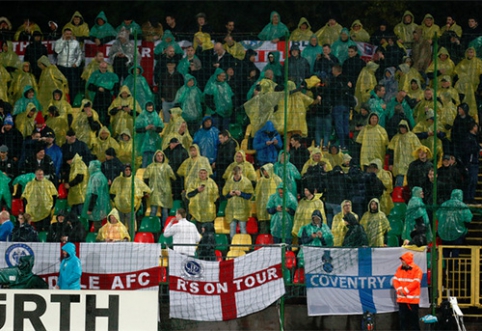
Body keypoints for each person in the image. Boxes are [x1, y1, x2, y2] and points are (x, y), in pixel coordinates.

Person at [110, 164, 151, 230]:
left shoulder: (135, 180)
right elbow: (112, 193)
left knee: (131, 227)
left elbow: (144, 189)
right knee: (121, 228)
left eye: (129, 170)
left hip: (131, 208)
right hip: (120, 208)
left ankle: (132, 240)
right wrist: (116, 204)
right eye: (126, 170)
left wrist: (144, 194)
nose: (128, 171)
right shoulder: (117, 180)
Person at [437, 189, 473, 261]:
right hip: (458, 234)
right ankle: (454, 267)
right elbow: (468, 218)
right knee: (456, 250)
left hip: (444, 233)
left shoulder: (444, 205)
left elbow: (437, 215)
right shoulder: (462, 206)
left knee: (445, 251)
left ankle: (446, 266)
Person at [144, 150, 176, 228]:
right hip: (154, 191)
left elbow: (173, 178)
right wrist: (147, 191)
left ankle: (164, 228)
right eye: (158, 155)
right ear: (155, 157)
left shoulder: (167, 167)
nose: (159, 157)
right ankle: (151, 227)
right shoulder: (150, 167)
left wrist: (172, 191)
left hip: (165, 192)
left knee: (165, 212)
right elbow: (146, 179)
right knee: (153, 211)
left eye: (161, 155)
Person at [393, 252, 423, 331]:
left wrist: (405, 290)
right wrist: (399, 289)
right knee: (403, 322)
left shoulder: (417, 270)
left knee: (414, 322)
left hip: (412, 301)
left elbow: (416, 282)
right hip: (402, 300)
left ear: (408, 261)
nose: (402, 262)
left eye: (403, 260)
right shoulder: (399, 269)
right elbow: (395, 280)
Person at [223, 166, 254, 239]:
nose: (236, 177)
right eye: (234, 175)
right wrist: (230, 194)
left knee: (243, 228)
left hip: (242, 209)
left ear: (241, 173)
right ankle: (233, 246)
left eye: (237, 175)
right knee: (232, 229)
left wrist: (241, 194)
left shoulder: (246, 182)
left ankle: (244, 245)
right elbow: (225, 195)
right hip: (231, 210)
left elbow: (250, 196)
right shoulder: (229, 182)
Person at [81, 160, 111, 232]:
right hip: (102, 205)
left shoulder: (95, 178)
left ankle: (99, 240)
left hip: (97, 206)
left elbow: (94, 194)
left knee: (97, 225)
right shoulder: (101, 175)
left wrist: (90, 208)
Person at [87, 61, 119, 126]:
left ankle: (106, 126)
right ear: (99, 67)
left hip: (108, 94)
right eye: (102, 67)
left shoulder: (112, 75)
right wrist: (98, 88)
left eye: (105, 68)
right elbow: (89, 86)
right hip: (98, 95)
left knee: (107, 112)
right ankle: (97, 125)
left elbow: (116, 86)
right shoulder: (94, 74)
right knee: (97, 111)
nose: (103, 69)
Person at [54, 28, 83, 99]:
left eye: (70, 34)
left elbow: (79, 54)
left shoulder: (75, 43)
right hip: (61, 67)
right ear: (63, 34)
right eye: (67, 34)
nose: (68, 35)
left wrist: (77, 63)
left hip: (71, 67)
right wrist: (63, 41)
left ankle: (72, 102)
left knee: (72, 86)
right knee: (61, 85)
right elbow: (57, 51)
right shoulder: (58, 42)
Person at [135, 102, 164, 168]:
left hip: (154, 141)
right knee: (144, 160)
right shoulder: (142, 116)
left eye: (151, 107)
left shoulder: (156, 116)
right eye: (148, 107)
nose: (150, 108)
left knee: (153, 159)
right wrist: (145, 128)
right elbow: (137, 129)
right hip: (143, 142)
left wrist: (154, 128)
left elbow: (160, 128)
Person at [255, 163, 281, 234]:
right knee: (263, 231)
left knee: (274, 231)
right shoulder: (260, 181)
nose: (264, 172)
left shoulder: (277, 180)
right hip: (263, 209)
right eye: (263, 171)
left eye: (266, 170)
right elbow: (257, 194)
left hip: (275, 210)